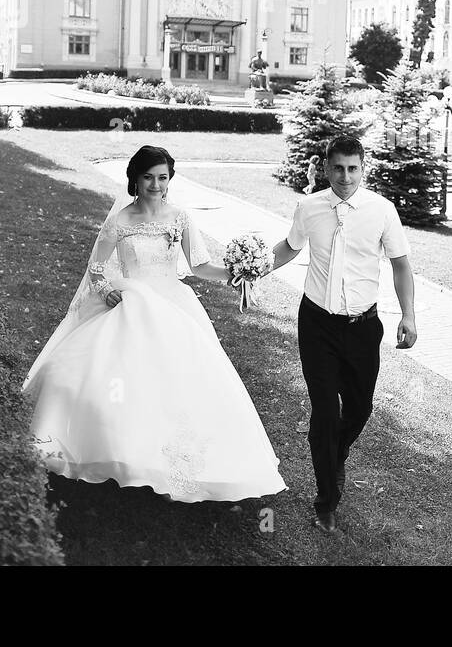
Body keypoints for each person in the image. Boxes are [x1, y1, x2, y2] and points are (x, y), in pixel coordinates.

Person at [23, 145, 286, 502]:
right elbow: (97, 268)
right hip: (130, 301)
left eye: (163, 177)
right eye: (149, 176)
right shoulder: (120, 222)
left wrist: (237, 273)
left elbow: (198, 266)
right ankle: (117, 452)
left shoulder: (179, 218)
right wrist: (104, 290)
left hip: (172, 305)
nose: (156, 184)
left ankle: (173, 462)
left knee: (181, 379)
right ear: (134, 178)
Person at [266, 135, 417, 534]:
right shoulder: (309, 208)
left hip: (363, 327)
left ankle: (338, 453)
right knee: (324, 414)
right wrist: (254, 266)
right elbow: (290, 247)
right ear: (326, 167)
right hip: (317, 325)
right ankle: (326, 500)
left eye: (353, 168)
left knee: (360, 409)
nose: (345, 177)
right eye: (338, 168)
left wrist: (409, 316)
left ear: (364, 168)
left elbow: (401, 265)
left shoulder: (382, 210)